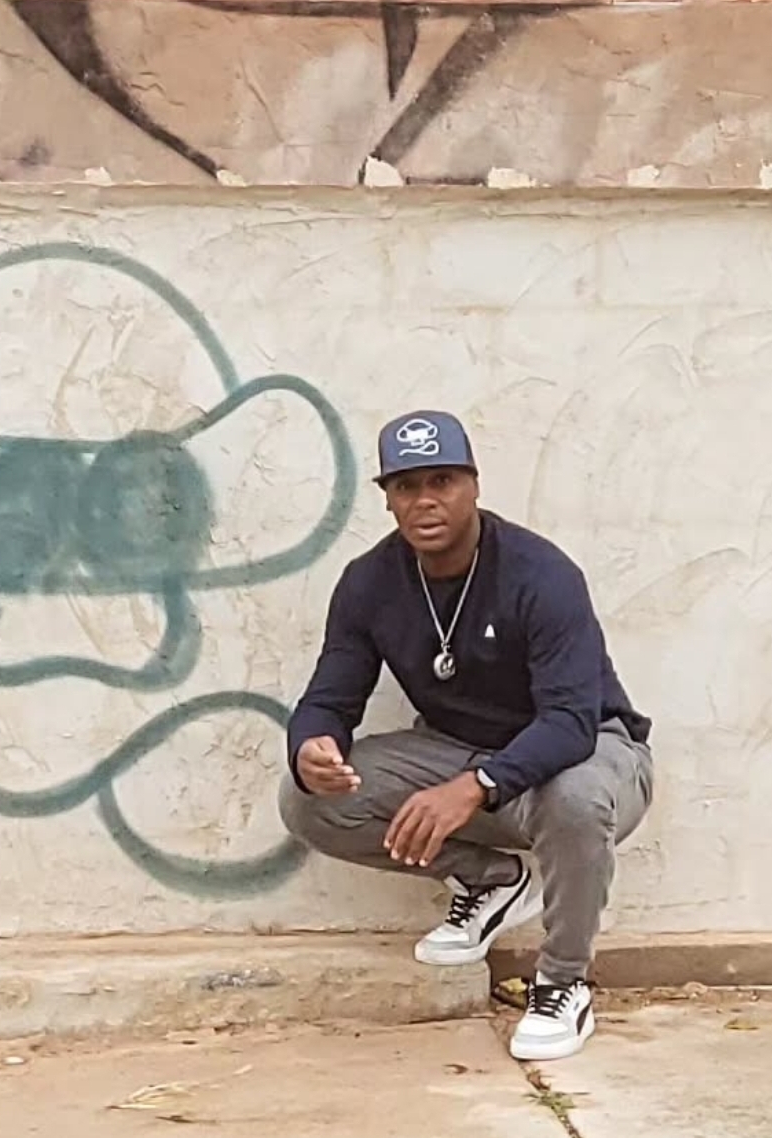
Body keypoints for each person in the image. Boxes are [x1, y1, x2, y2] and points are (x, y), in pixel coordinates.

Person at [279, 410, 653, 1062]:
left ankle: (563, 981)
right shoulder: (370, 582)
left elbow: (570, 720)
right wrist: (313, 744)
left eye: (442, 480)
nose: (425, 500)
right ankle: (490, 880)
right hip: (459, 751)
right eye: (406, 486)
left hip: (588, 751)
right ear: (387, 498)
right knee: (306, 801)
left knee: (574, 798)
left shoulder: (540, 573)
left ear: (473, 485)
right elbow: (330, 697)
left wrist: (474, 785)